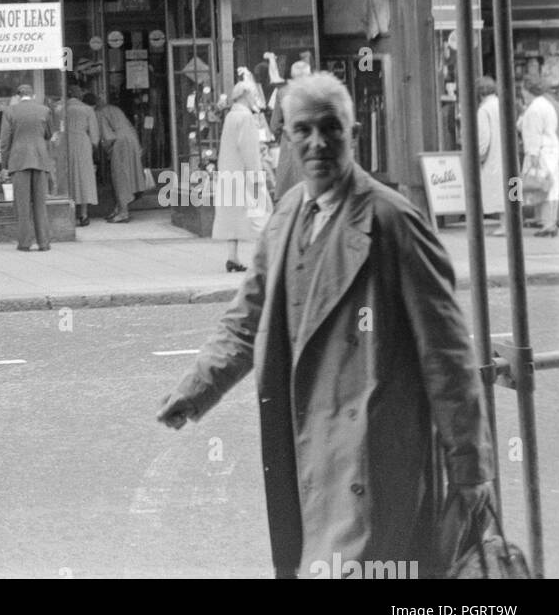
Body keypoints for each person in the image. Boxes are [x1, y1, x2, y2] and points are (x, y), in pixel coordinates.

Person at [156, 73, 494, 579]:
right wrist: (198, 387)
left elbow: (447, 357)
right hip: (306, 454)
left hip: (373, 460)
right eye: (303, 130)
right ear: (287, 137)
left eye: (331, 128)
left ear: (352, 133)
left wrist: (471, 471)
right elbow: (249, 318)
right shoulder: (289, 213)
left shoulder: (393, 221)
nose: (317, 143)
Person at [213, 81, 271, 273]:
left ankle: (232, 257)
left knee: (233, 219)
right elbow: (248, 149)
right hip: (246, 176)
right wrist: (257, 175)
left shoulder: (231, 115)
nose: (255, 96)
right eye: (253, 93)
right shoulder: (245, 117)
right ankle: (264, 258)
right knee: (261, 214)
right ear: (245, 94)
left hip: (230, 173)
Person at [0, 83, 55, 252]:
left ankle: (24, 243)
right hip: (40, 159)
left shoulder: (10, 111)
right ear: (33, 95)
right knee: (40, 204)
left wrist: (5, 165)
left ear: (17, 96)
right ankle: (44, 243)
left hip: (19, 161)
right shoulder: (44, 110)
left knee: (22, 205)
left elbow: (4, 142)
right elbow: (49, 134)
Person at [518, 72, 559, 238]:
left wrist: (533, 154)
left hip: (540, 151)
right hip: (551, 148)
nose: (521, 91)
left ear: (528, 89)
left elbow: (532, 133)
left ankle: (547, 223)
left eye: (522, 88)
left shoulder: (534, 109)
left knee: (542, 185)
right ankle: (547, 220)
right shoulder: (545, 104)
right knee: (550, 185)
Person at [95, 97, 145, 222]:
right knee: (130, 174)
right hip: (131, 139)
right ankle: (119, 208)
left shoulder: (100, 113)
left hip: (120, 142)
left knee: (120, 176)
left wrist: (107, 151)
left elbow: (107, 136)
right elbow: (129, 126)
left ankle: (123, 212)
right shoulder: (115, 109)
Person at [269, 58, 310, 203]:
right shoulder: (315, 93)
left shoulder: (282, 92)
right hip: (310, 142)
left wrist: (281, 132)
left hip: (289, 143)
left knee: (288, 190)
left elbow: (274, 124)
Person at [474, 75, 508, 232]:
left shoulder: (484, 109)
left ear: (480, 93)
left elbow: (484, 137)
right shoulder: (504, 104)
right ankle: (514, 222)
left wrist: (480, 156)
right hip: (509, 153)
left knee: (498, 189)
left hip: (494, 156)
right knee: (512, 185)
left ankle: (505, 224)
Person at [62, 84, 99, 227]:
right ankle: (83, 214)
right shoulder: (88, 109)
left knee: (67, 177)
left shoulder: (62, 108)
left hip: (65, 144)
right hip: (83, 144)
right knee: (84, 177)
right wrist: (94, 146)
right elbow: (95, 136)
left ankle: (68, 212)